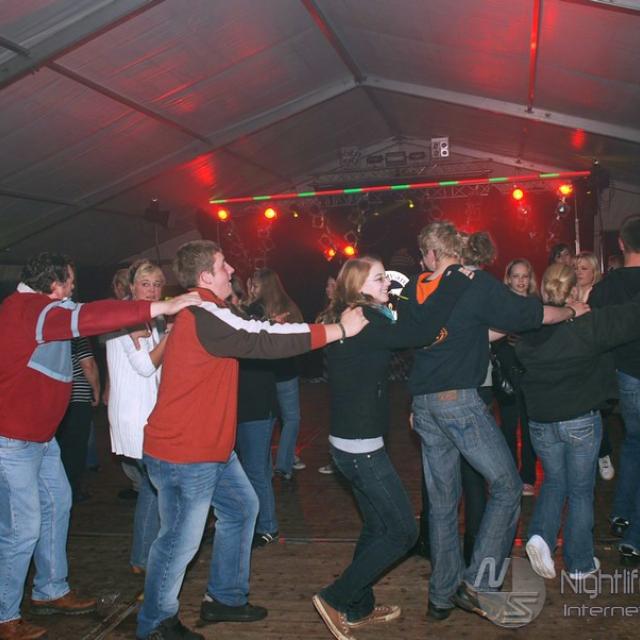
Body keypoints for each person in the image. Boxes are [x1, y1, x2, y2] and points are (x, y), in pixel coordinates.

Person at [136, 240, 368, 640]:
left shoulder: (211, 310)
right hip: (186, 452)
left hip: (209, 448)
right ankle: (155, 624)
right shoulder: (204, 313)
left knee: (243, 508)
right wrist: (339, 330)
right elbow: (265, 339)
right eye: (223, 265)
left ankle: (224, 598)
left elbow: (257, 330)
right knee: (178, 542)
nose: (231, 271)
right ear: (205, 276)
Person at [0, 252, 200, 640]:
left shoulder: (44, 308)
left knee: (58, 505)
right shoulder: (30, 310)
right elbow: (90, 316)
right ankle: (5, 615)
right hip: (13, 440)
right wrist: (164, 306)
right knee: (22, 528)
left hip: (40, 438)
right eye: (70, 281)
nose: (74, 288)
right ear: (54, 285)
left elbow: (89, 312)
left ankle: (50, 589)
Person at [406, 222, 586, 622]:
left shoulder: (417, 289)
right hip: (457, 402)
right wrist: (572, 310)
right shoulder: (472, 283)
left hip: (425, 404)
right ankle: (478, 583)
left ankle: (441, 595)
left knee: (442, 503)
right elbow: (531, 313)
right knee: (507, 485)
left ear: (431, 254)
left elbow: (453, 336)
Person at [312, 255, 474, 640]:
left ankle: (358, 606)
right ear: (357, 286)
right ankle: (337, 597)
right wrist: (454, 281)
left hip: (348, 445)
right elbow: (422, 331)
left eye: (385, 276)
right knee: (402, 532)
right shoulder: (368, 320)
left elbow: (406, 326)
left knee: (377, 525)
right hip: (361, 450)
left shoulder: (358, 317)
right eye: (378, 278)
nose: (387, 282)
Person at [518, 263, 640, 579]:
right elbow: (632, 317)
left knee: (555, 481)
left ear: (544, 289)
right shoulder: (589, 325)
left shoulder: (530, 329)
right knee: (581, 490)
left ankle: (540, 536)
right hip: (580, 421)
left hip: (541, 422)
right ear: (573, 290)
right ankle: (579, 563)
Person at [106, 260, 168, 575]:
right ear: (132, 286)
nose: (152, 290)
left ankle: (143, 556)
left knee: (151, 485)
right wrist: (171, 336)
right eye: (146, 284)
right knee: (157, 483)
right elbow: (145, 367)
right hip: (135, 414)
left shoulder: (148, 319)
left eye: (157, 285)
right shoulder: (126, 317)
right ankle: (144, 557)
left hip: (146, 411)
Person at [588, 215, 640, 565]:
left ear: (621, 244)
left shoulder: (606, 288)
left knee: (633, 443)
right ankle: (634, 539)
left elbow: (594, 330)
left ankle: (621, 514)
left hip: (624, 375)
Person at [249, 268, 306, 478]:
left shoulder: (255, 308)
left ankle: (267, 467)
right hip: (285, 371)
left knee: (267, 421)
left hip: (264, 373)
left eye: (255, 285)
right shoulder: (289, 306)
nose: (253, 289)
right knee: (291, 419)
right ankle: (283, 464)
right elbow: (301, 338)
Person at [493, 259, 538, 495]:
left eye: (525, 276)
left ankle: (528, 476)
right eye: (516, 276)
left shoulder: (535, 304)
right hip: (507, 373)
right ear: (508, 278)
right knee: (508, 426)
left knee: (530, 427)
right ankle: (511, 475)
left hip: (530, 373)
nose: (521, 281)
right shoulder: (500, 304)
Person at [570, 252, 614, 480]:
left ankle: (603, 453)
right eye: (576, 267)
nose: (579, 272)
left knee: (596, 408)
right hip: (574, 360)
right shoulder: (567, 293)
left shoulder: (601, 294)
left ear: (594, 271)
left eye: (584, 268)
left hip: (596, 359)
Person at [56, 336, 100, 503]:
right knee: (76, 449)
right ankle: (72, 491)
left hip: (57, 399)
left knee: (60, 448)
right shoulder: (77, 336)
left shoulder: (51, 334)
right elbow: (88, 365)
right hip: (77, 397)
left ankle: (59, 490)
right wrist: (96, 388)